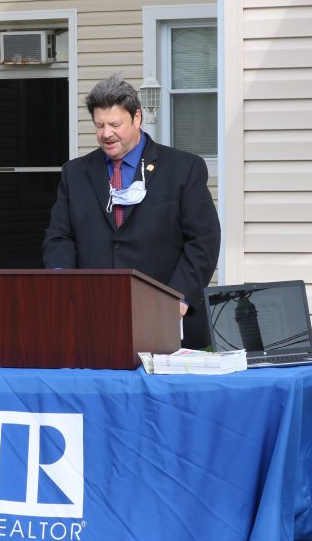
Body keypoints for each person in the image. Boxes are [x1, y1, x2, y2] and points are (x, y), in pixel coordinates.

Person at [42, 74, 220, 348]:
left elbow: (203, 241)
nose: (106, 133)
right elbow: (59, 236)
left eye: (115, 124)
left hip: (167, 320)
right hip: (92, 319)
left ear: (137, 118)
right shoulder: (74, 173)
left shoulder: (184, 169)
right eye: (99, 125)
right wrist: (62, 286)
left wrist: (177, 299)